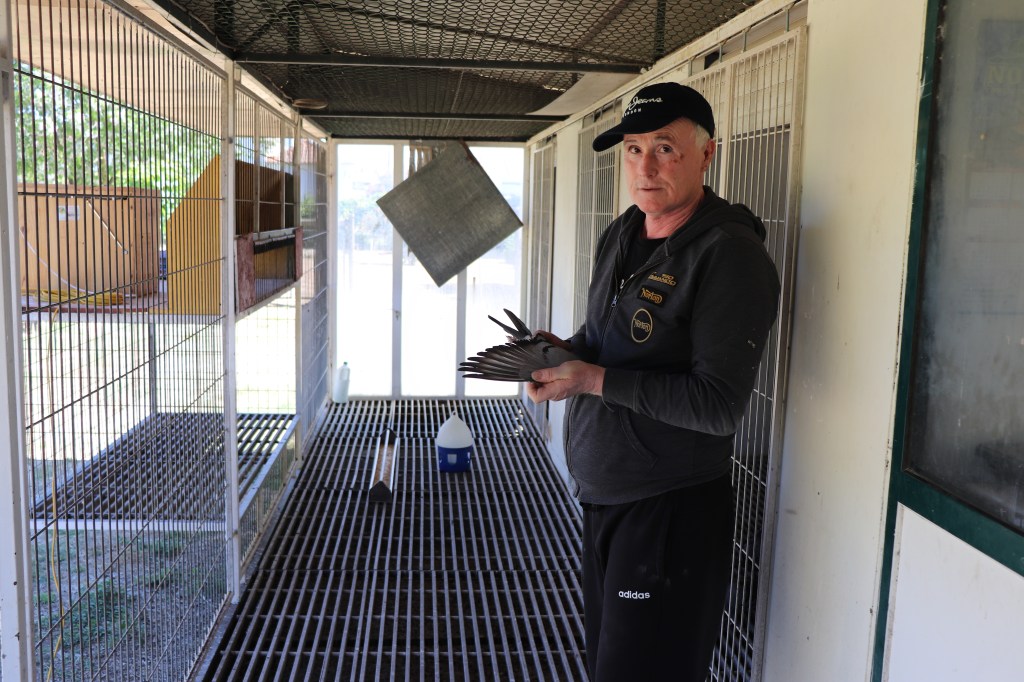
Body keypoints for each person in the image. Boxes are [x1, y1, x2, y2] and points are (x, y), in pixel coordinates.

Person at [526, 82, 780, 681]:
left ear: (707, 154)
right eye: (634, 149)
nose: (644, 168)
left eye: (665, 148)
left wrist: (593, 380)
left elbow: (717, 406)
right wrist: (566, 353)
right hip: (606, 497)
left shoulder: (730, 255)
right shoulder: (624, 231)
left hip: (670, 510)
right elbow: (605, 338)